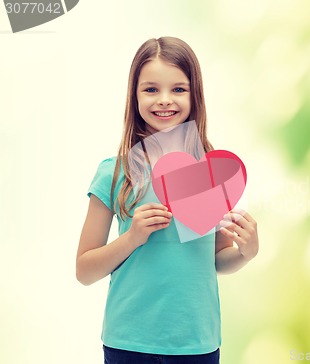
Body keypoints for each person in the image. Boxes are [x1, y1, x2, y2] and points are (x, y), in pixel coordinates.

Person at [76, 36, 259, 364]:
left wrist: (246, 253)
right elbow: (84, 271)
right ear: (134, 96)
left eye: (178, 89)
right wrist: (133, 237)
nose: (164, 100)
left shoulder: (212, 172)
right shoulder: (116, 173)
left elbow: (214, 261)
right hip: (128, 343)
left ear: (195, 94)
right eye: (150, 89)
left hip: (197, 344)